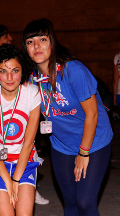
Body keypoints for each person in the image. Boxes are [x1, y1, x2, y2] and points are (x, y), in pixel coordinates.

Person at [22, 18, 113, 216]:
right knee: (70, 202)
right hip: (62, 144)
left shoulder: (73, 70)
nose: (36, 46)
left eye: (42, 40)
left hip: (94, 141)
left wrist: (83, 153)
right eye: (30, 42)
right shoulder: (31, 78)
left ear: (52, 42)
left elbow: (93, 113)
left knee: (85, 201)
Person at [0, 44, 42, 216]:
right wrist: (8, 180)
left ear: (23, 71)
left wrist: (16, 178)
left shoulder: (32, 93)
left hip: (25, 161)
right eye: (3, 71)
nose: (9, 77)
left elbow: (28, 143)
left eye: (15, 70)